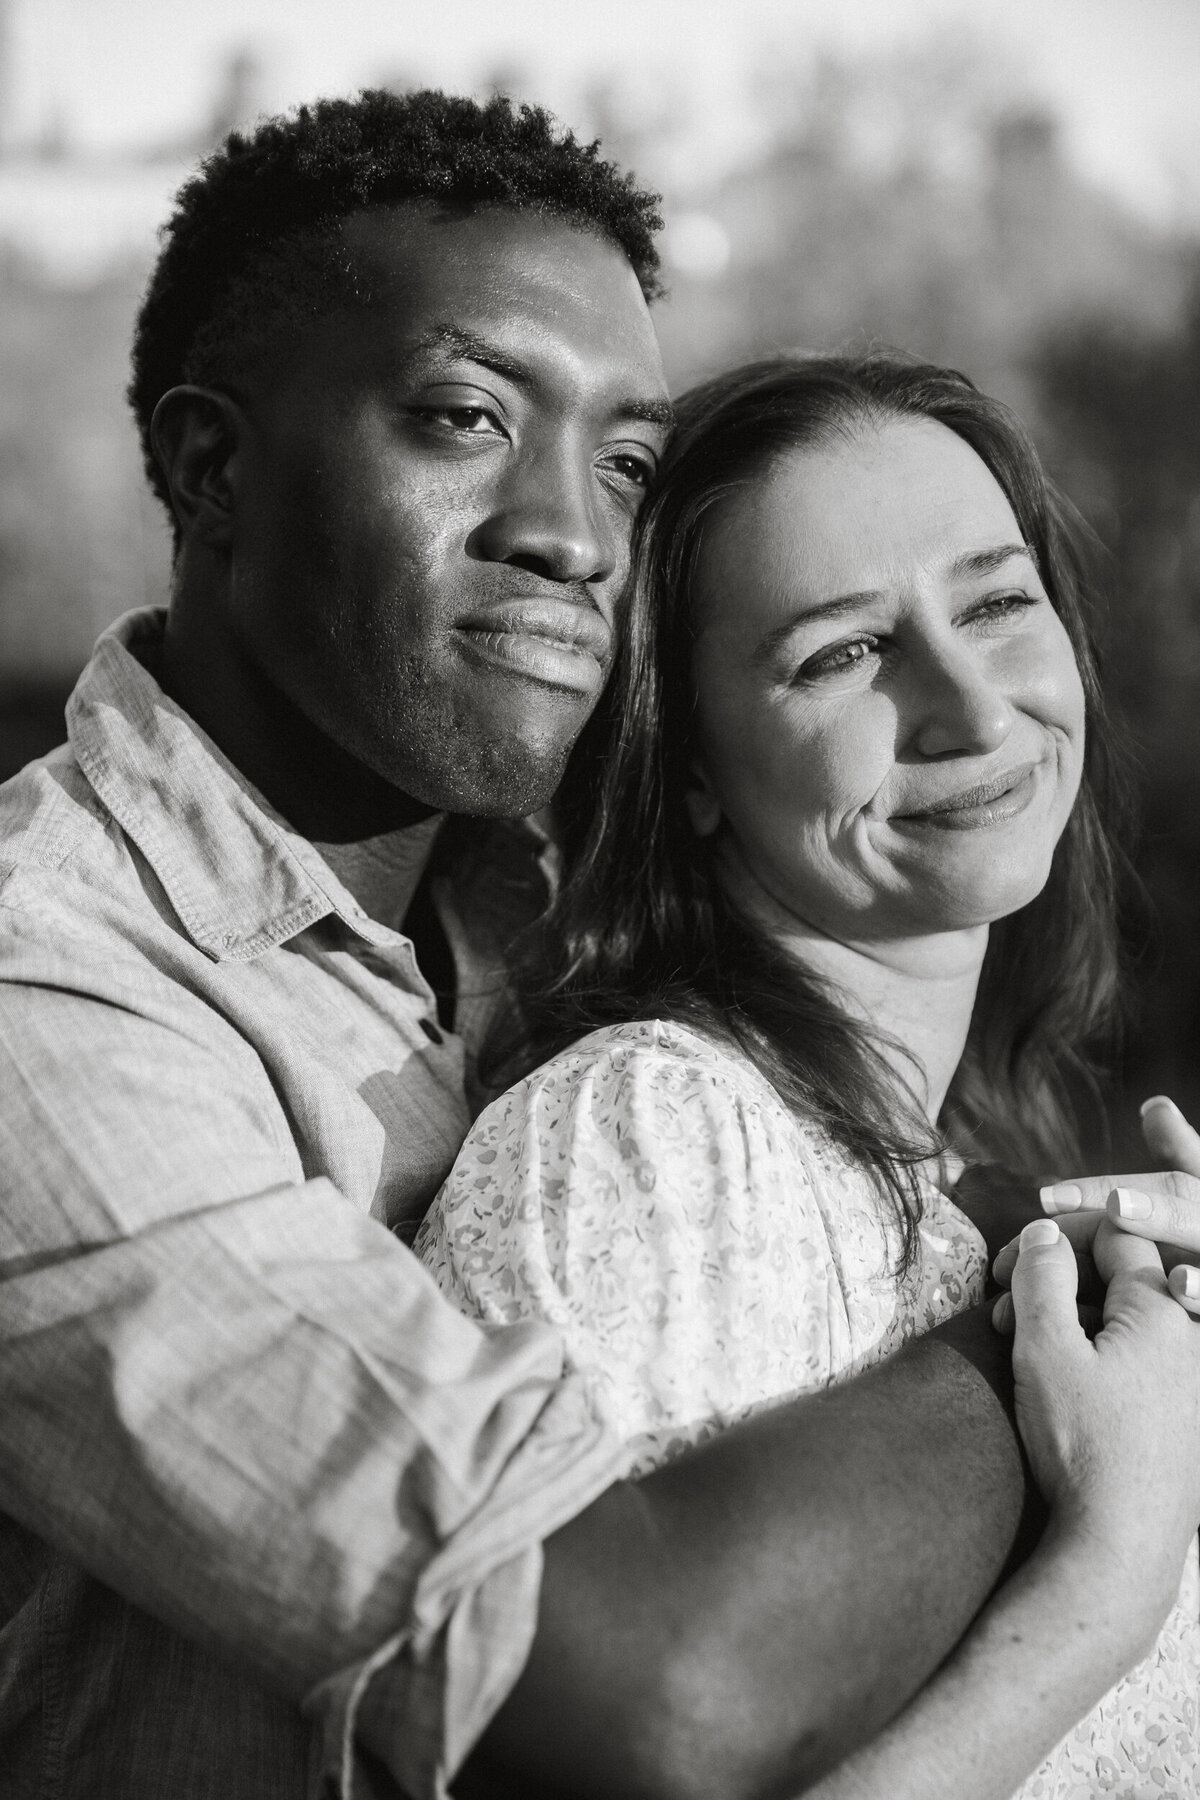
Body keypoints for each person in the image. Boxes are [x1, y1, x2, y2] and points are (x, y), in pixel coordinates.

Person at [0, 88, 1195, 1800]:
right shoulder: (51, 993)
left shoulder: (512, 896)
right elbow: (622, 1704)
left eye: (624, 462)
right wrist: (1056, 1333)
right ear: (212, 466)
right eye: (466, 416)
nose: (572, 533)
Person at [417, 352, 1200, 1795]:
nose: (970, 705)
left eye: (996, 600)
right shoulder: (651, 1138)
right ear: (691, 765)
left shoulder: (975, 1185)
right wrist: (1110, 1580)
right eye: (841, 652)